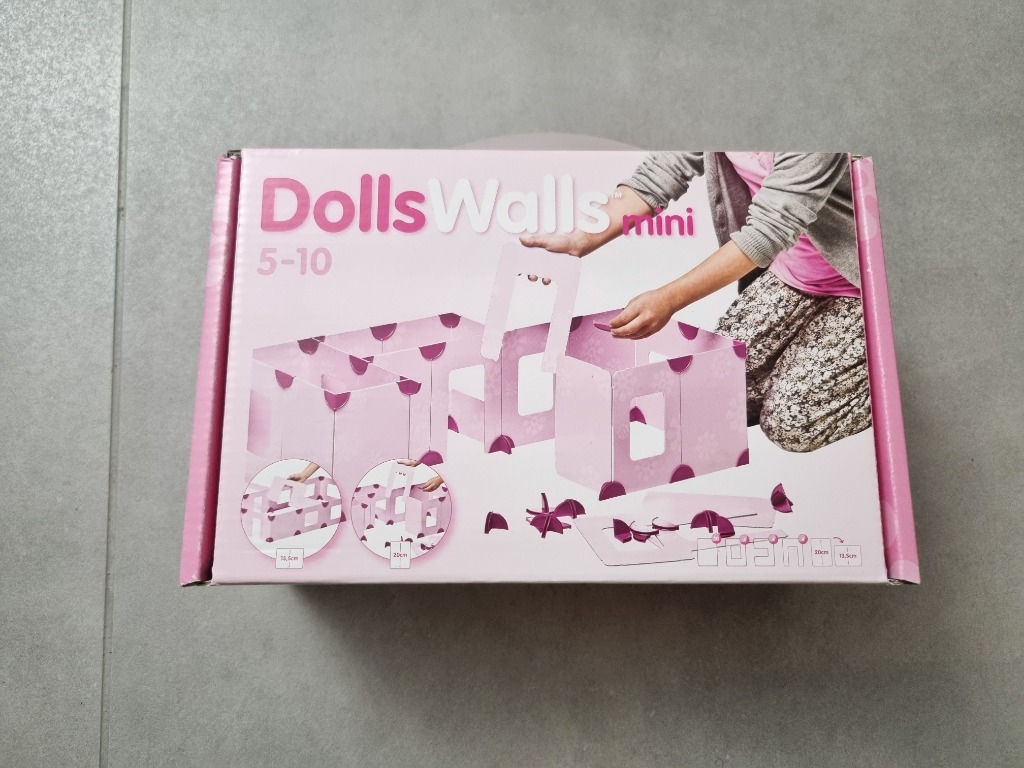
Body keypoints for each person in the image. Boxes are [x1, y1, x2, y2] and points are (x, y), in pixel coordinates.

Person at [521, 152, 870, 453]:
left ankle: (883, 370)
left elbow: (766, 232)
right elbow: (662, 172)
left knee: (791, 424)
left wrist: (669, 299)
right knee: (708, 394)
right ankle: (816, 370)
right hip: (796, 277)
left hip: (864, 282)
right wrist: (579, 241)